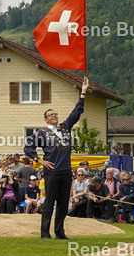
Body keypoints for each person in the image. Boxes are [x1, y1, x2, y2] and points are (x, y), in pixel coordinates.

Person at [24, 76, 90, 239]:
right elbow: (27, 147)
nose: (55, 116)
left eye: (56, 114)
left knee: (62, 204)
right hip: (51, 172)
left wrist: (83, 93)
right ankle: (45, 233)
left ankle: (60, 232)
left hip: (66, 171)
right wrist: (40, 161)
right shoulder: (42, 133)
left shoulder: (65, 127)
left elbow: (77, 113)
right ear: (46, 119)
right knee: (48, 202)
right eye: (51, 114)